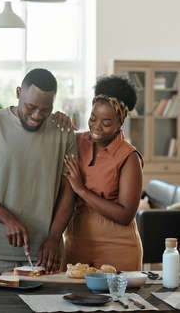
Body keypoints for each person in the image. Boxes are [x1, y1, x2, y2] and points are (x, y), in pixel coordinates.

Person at [0, 68, 77, 274]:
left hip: (46, 252)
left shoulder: (63, 132)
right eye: (30, 107)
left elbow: (69, 190)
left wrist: (54, 237)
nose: (36, 116)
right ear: (18, 93)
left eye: (45, 109)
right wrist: (8, 219)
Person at [63, 75, 143, 271]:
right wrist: (57, 119)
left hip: (118, 249)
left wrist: (81, 190)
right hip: (75, 245)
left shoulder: (128, 157)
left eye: (106, 123)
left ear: (119, 123)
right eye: (92, 118)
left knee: (119, 302)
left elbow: (125, 214)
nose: (96, 127)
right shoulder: (77, 142)